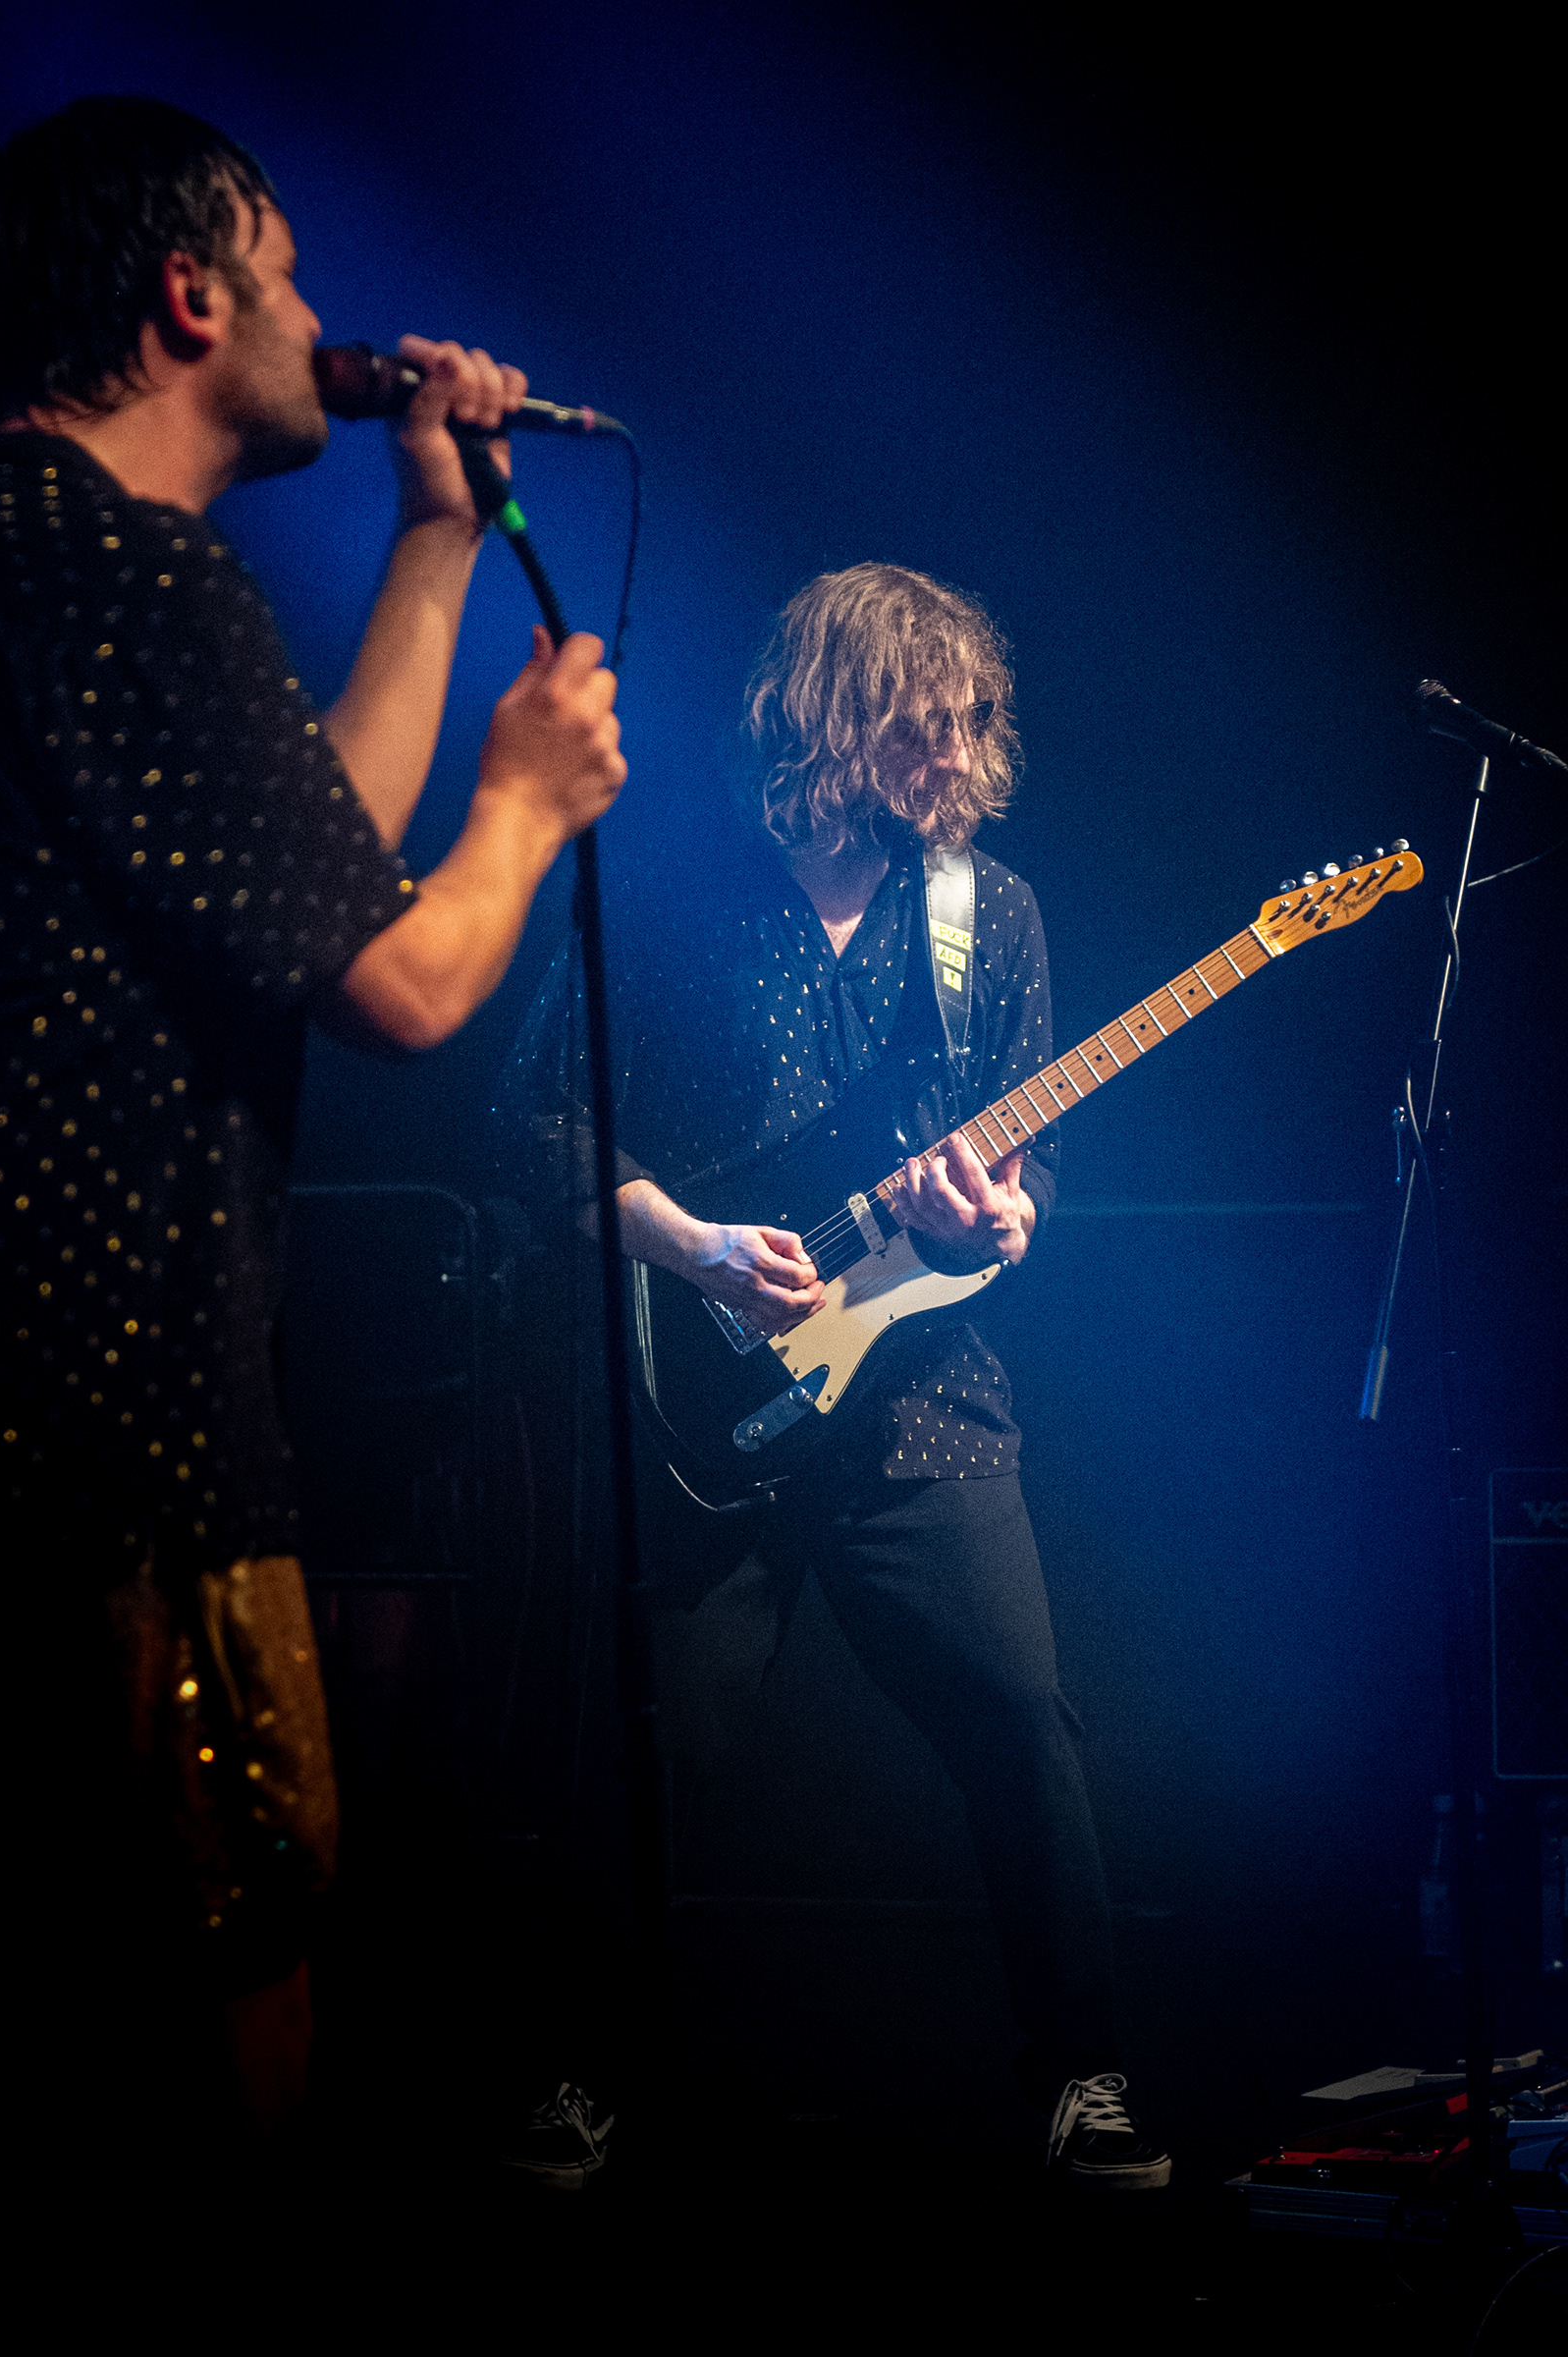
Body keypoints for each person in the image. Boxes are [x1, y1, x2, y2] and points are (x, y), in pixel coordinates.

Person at [0, 94, 623, 2152]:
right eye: (289, 273)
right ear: (188, 297)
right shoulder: (126, 570)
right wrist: (525, 803)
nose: (322, 317)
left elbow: (292, 871)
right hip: (113, 1477)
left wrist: (433, 536)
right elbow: (400, 979)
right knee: (216, 1995)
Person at [503, 563, 1168, 2187]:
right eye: (928, 722)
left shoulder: (991, 913)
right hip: (702, 1394)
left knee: (1022, 1719)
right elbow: (535, 1121)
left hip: (926, 1402)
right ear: (836, 715)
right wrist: (694, 1246)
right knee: (655, 1759)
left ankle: (1085, 2077)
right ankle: (575, 2077)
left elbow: (1031, 1177)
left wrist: (1001, 1220)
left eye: (974, 722)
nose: (961, 753)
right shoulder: (663, 889)